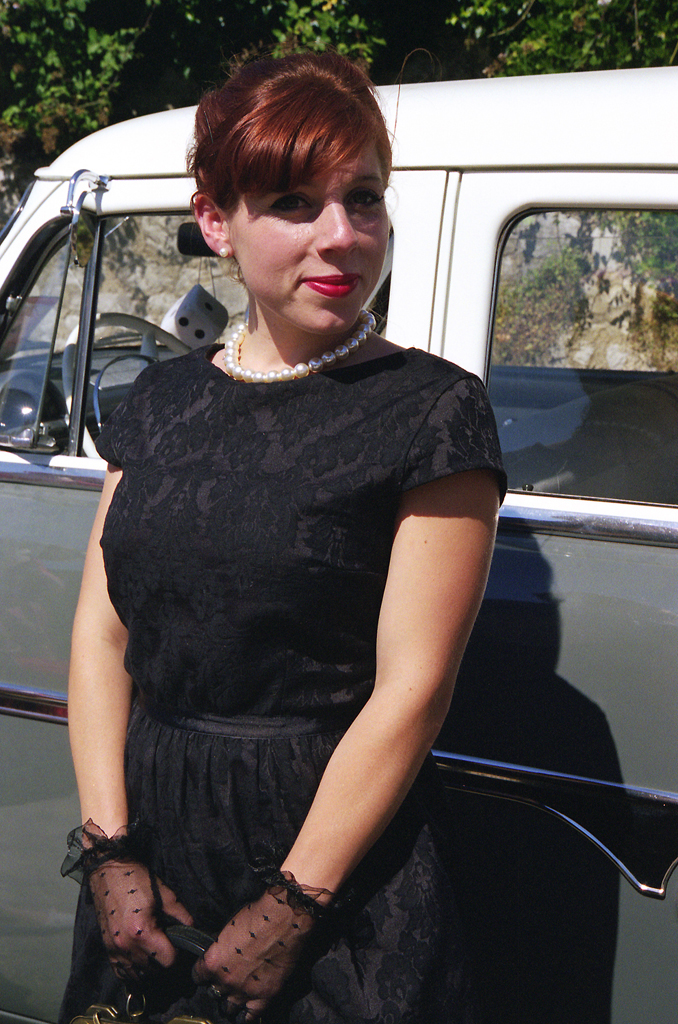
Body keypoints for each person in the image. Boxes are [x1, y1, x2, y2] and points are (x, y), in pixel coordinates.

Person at [58, 51, 505, 1024]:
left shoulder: (433, 411)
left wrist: (292, 904)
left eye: (365, 199)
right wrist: (109, 850)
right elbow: (102, 636)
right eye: (296, 203)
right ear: (217, 218)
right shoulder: (159, 400)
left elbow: (413, 689)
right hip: (151, 851)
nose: (342, 237)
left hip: (327, 862)